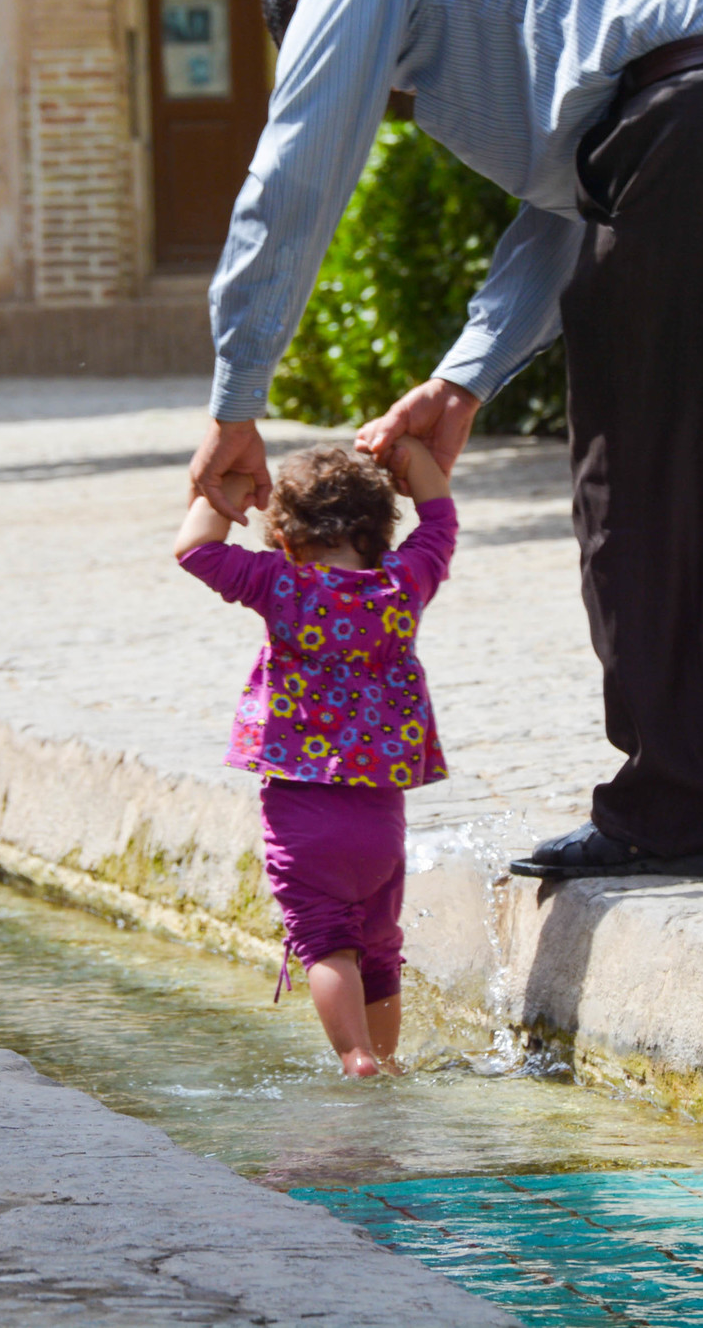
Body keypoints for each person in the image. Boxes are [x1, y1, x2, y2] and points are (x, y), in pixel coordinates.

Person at [185, 0, 703, 880]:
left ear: (310, 4)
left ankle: (666, 807)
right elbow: (581, 194)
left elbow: (296, 174)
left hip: (702, 120)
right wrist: (462, 381)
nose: (398, 96)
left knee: (637, 475)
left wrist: (236, 401)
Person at [174, 440, 456, 1076]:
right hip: (382, 818)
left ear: (287, 535)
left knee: (328, 942)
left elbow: (195, 548)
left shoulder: (282, 583)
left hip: (303, 809)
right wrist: (412, 456)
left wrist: (228, 488)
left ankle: (355, 1056)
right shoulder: (402, 582)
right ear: (377, 529)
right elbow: (440, 520)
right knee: (380, 949)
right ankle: (385, 1062)